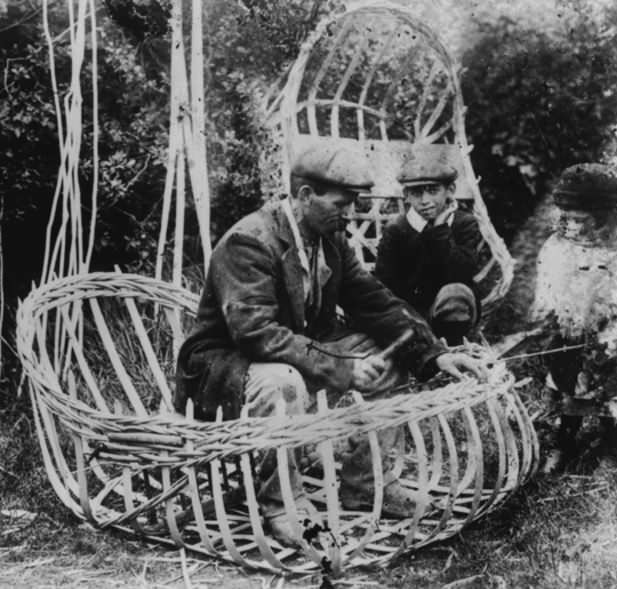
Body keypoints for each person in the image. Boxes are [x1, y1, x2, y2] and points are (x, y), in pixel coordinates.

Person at [174, 141, 485, 547]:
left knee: (389, 353)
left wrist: (434, 354)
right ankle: (282, 504)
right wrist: (343, 369)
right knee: (284, 382)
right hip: (228, 365)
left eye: (353, 203)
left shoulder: (330, 238)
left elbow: (373, 300)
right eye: (342, 203)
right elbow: (256, 334)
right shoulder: (248, 241)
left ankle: (365, 483)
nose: (349, 212)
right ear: (305, 196)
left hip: (296, 349)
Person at [530, 163, 617, 473]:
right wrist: (553, 318)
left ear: (604, 219)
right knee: (570, 385)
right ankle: (564, 440)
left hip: (613, 339)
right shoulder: (558, 248)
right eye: (565, 217)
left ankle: (614, 444)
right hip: (571, 334)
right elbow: (548, 291)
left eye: (580, 220)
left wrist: (614, 325)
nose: (569, 225)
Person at [374, 148, 481, 345]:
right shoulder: (397, 230)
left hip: (454, 315)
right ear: (406, 195)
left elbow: (462, 273)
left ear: (450, 191)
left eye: (433, 191)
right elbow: (385, 284)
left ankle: (456, 347)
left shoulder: (463, 224)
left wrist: (440, 230)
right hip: (411, 316)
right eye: (416, 193)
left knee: (455, 293)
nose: (425, 201)